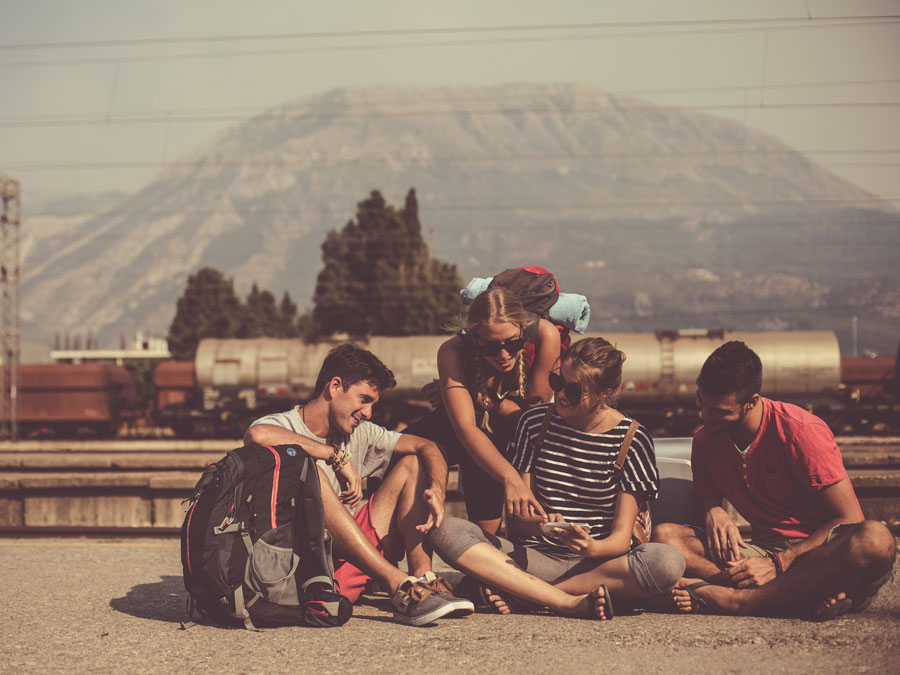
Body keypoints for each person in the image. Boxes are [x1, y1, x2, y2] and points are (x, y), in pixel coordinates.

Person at [427, 337, 686, 619]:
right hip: (537, 558)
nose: (561, 394)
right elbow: (519, 522)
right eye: (557, 381)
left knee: (667, 562)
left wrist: (592, 546)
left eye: (574, 391)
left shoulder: (633, 440)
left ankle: (527, 595)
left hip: (599, 564)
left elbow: (621, 539)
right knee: (446, 530)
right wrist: (543, 526)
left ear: (606, 392)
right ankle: (563, 600)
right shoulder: (534, 423)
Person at [652, 341, 895, 619]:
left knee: (877, 540)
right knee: (666, 538)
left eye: (720, 412)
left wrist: (777, 564)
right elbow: (703, 508)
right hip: (759, 554)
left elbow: (849, 519)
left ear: (752, 402)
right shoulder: (705, 439)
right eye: (701, 403)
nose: (706, 417)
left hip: (818, 554)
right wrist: (712, 510)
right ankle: (796, 598)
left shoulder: (801, 431)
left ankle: (738, 601)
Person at [243, 343, 474, 627]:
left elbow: (429, 447)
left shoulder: (361, 432)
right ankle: (397, 584)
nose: (368, 412)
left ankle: (422, 581)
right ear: (335, 386)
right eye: (363, 400)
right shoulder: (283, 424)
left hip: (350, 561)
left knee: (413, 461)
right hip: (305, 574)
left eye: (373, 404)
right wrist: (335, 456)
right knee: (310, 470)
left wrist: (438, 488)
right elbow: (257, 434)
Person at [405, 287, 561, 534]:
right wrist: (511, 479)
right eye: (490, 347)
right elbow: (465, 428)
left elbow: (532, 417)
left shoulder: (545, 336)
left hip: (520, 435)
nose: (504, 355)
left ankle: (493, 539)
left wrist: (467, 394)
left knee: (488, 431)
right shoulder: (452, 351)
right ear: (474, 338)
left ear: (523, 328)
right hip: (475, 432)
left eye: (514, 343)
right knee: (404, 449)